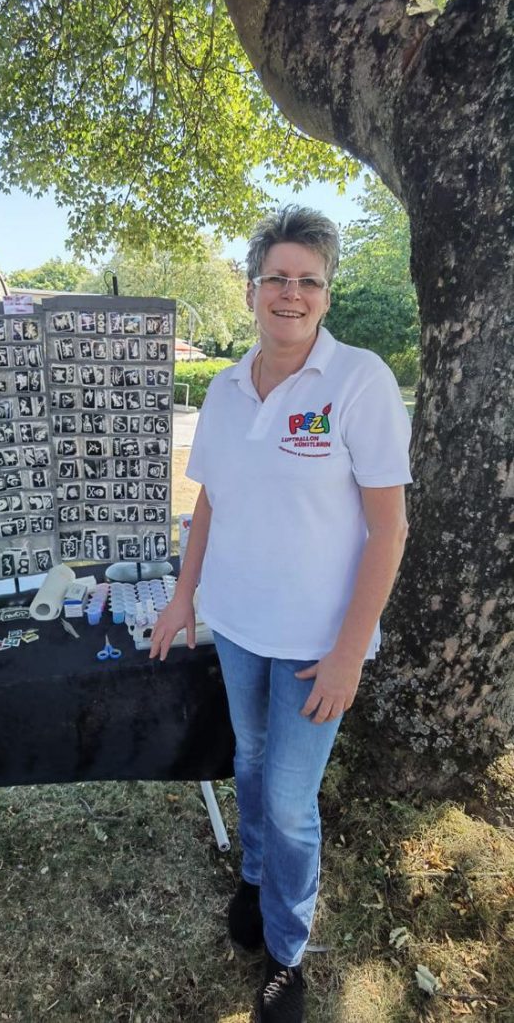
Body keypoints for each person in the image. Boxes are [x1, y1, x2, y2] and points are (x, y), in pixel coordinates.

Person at [149, 205, 412, 1022]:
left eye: (308, 280)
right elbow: (209, 502)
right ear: (253, 287)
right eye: (276, 278)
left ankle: (286, 952)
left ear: (326, 295)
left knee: (293, 798)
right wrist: (184, 597)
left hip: (315, 646)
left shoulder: (359, 380)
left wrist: (349, 651)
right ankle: (256, 874)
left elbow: (388, 527)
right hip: (235, 624)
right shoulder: (226, 387)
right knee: (253, 757)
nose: (290, 293)